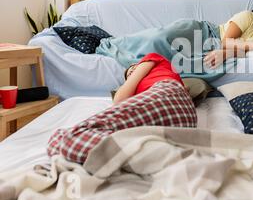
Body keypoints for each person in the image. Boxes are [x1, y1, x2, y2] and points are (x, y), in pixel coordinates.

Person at [96, 0, 253, 81]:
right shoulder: (249, 17)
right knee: (158, 38)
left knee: (175, 61)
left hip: (207, 49)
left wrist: (236, 51)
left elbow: (233, 50)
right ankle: (114, 43)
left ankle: (142, 65)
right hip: (203, 33)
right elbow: (226, 42)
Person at [48, 53, 197, 164]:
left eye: (132, 68)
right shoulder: (164, 82)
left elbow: (119, 100)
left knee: (65, 138)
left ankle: (149, 156)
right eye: (127, 74)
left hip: (167, 95)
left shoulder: (153, 58)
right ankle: (153, 155)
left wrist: (132, 75)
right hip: (184, 118)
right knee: (61, 142)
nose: (131, 73)